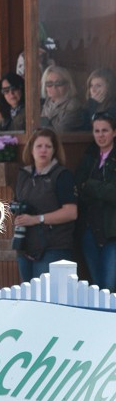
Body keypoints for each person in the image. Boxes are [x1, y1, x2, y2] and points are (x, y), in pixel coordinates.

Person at [12, 128, 78, 282]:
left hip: (54, 247)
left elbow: (71, 212)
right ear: (31, 150)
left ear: (54, 150)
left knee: (47, 298)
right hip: (25, 245)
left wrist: (36, 219)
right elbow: (17, 203)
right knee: (29, 297)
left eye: (48, 146)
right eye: (39, 146)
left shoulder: (62, 175)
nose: (43, 150)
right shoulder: (23, 174)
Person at [75, 112, 116, 292]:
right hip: (89, 231)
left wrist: (90, 185)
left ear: (114, 132)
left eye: (105, 130)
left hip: (112, 233)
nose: (100, 135)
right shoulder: (90, 156)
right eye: (97, 130)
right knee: (96, 285)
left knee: (108, 285)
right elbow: (77, 186)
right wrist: (101, 189)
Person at [40, 66, 87, 133]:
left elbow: (61, 131)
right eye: (49, 84)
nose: (54, 87)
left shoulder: (74, 106)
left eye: (58, 83)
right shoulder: (44, 105)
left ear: (68, 85)